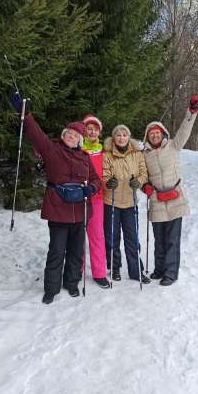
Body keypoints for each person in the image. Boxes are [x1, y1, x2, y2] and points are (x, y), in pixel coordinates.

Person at [11, 93, 101, 304]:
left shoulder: (85, 158)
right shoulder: (51, 149)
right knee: (56, 251)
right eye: (69, 133)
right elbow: (35, 133)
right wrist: (25, 113)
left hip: (80, 211)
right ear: (64, 135)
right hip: (58, 209)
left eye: (75, 136)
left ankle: (72, 284)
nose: (71, 137)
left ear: (80, 141)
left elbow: (97, 180)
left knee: (76, 252)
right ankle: (51, 287)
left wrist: (92, 189)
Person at [141, 95, 198, 286]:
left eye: (157, 133)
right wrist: (145, 185)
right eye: (152, 134)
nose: (155, 136)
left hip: (175, 198)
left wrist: (191, 112)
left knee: (173, 239)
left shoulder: (174, 146)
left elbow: (185, 129)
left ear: (163, 134)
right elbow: (142, 174)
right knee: (159, 239)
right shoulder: (145, 155)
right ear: (147, 137)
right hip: (157, 199)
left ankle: (171, 273)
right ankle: (159, 269)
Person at [103, 125, 150, 284]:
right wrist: (108, 182)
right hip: (112, 201)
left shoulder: (137, 154)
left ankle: (136, 270)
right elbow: (103, 174)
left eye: (124, 135)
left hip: (130, 202)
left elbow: (144, 173)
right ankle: (114, 268)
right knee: (112, 237)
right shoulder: (107, 154)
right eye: (118, 135)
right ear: (114, 137)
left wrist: (139, 181)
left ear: (128, 137)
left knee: (132, 238)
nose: (121, 138)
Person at [82, 114, 110, 288]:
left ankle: (99, 273)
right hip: (77, 198)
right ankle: (76, 270)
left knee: (97, 236)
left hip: (97, 198)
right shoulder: (76, 148)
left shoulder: (104, 151)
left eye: (95, 129)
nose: (92, 132)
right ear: (84, 131)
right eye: (89, 129)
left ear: (99, 132)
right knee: (77, 236)